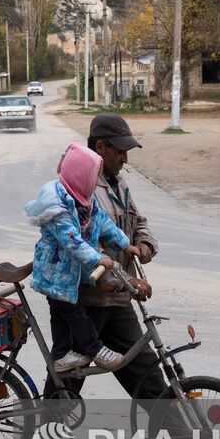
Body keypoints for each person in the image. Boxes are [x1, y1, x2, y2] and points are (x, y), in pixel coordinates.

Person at [55, 112, 168, 403]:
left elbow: (138, 220)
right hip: (88, 301)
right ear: (100, 147)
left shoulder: (120, 184)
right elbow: (85, 247)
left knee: (149, 378)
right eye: (120, 152)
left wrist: (144, 244)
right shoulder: (80, 188)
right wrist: (125, 277)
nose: (125, 159)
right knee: (65, 386)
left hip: (118, 300)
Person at [24, 143, 148, 373]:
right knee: (74, 313)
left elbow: (103, 224)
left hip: (67, 274)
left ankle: (61, 356)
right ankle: (95, 350)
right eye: (92, 178)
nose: (95, 183)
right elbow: (71, 239)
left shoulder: (85, 202)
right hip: (56, 273)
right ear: (80, 178)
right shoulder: (57, 207)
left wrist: (125, 244)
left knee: (62, 315)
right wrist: (97, 259)